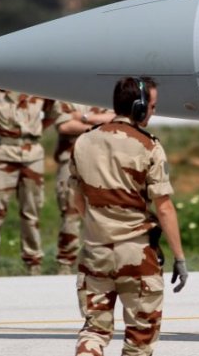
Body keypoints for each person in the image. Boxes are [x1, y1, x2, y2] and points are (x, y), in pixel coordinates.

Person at [71, 76, 187, 356]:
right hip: (136, 255)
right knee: (139, 339)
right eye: (152, 106)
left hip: (95, 251)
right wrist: (180, 258)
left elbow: (76, 199)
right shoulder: (148, 146)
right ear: (139, 107)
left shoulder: (84, 141)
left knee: (94, 331)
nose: (153, 112)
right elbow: (164, 207)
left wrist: (100, 226)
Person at [0, 86, 71, 276]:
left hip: (32, 155)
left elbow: (55, 113)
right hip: (2, 153)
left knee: (31, 211)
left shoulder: (37, 85)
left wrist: (37, 129)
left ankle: (33, 263)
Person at [51, 101, 114, 275]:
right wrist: (97, 125)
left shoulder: (105, 94)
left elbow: (114, 119)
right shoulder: (64, 96)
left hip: (100, 161)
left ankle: (101, 261)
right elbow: (64, 126)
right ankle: (66, 263)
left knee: (103, 211)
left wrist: (84, 118)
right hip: (70, 159)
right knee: (70, 211)